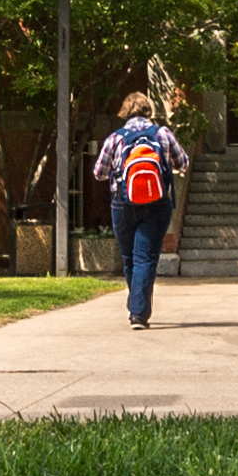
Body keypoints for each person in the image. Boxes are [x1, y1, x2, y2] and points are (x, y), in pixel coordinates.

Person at [93, 89, 189, 328]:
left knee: (129, 258)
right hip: (157, 204)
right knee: (145, 258)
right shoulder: (162, 134)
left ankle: (136, 306)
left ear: (125, 111)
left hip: (123, 204)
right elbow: (183, 163)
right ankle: (138, 312)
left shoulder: (116, 138)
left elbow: (98, 173)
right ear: (148, 111)